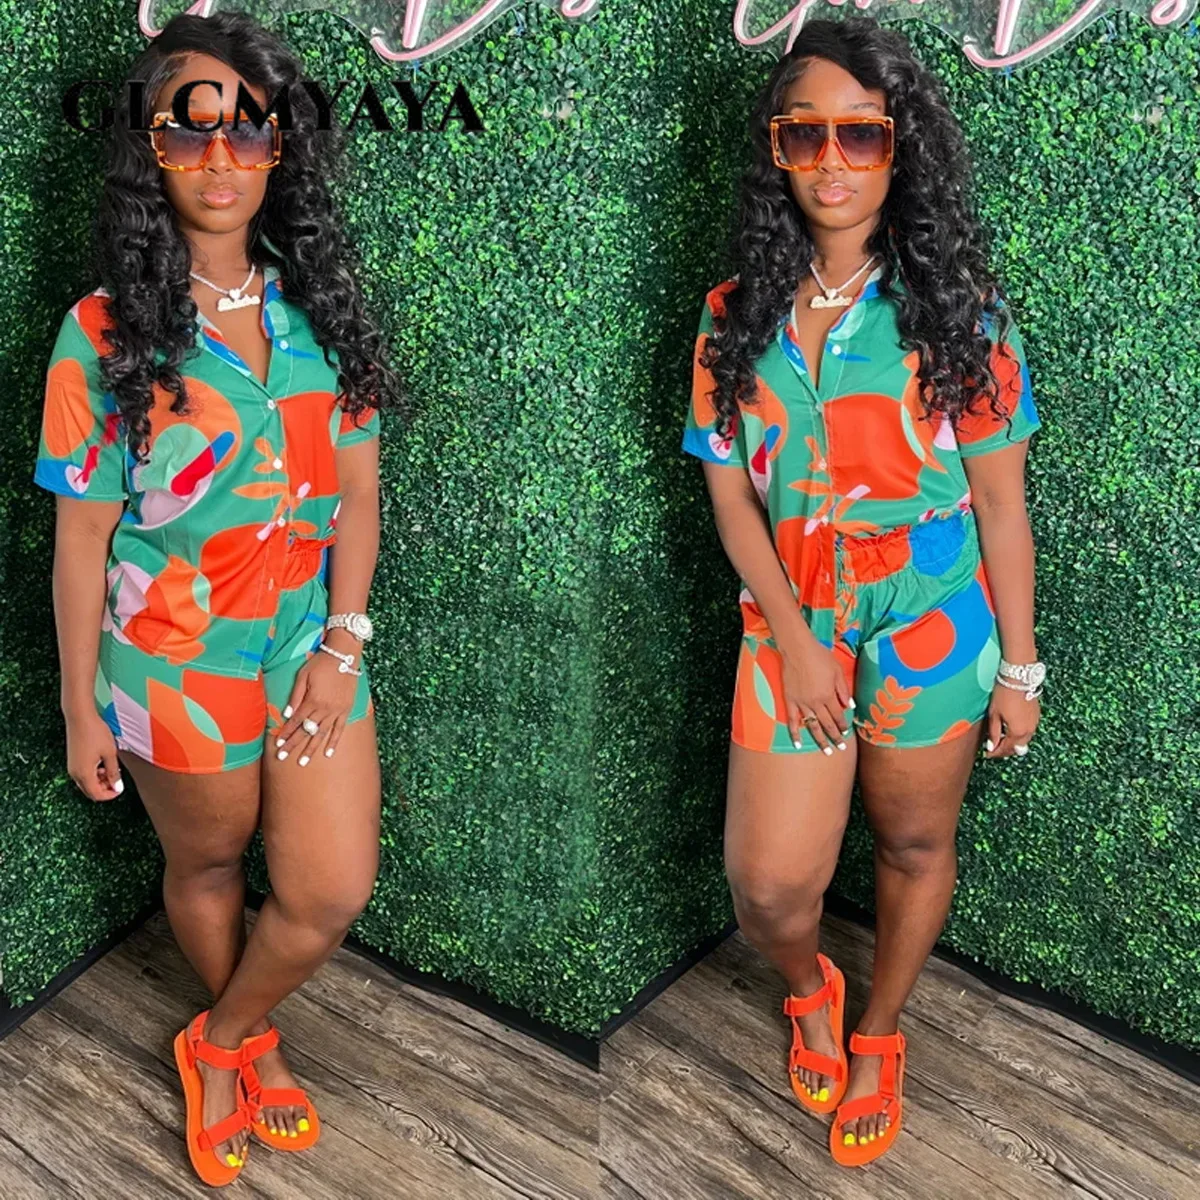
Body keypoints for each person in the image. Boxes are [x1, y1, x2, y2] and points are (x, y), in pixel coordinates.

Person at [32, 11, 405, 1187]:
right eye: (187, 132)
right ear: (149, 150)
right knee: (207, 865)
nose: (220, 158)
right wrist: (81, 708)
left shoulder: (321, 311)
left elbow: (359, 496)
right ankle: (256, 1047)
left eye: (248, 131)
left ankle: (221, 1036)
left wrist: (343, 645)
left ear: (279, 148)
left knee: (328, 890)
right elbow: (81, 540)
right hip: (167, 662)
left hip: (303, 643)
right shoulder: (100, 334)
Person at [681, 17, 1044, 1168]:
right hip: (794, 617)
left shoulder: (963, 317)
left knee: (914, 842)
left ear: (900, 149)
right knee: (768, 889)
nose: (832, 159)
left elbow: (1001, 508)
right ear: (777, 150)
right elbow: (731, 496)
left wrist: (1020, 668)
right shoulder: (732, 315)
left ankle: (879, 1032)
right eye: (806, 133)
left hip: (935, 619)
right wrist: (793, 639)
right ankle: (810, 987)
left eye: (862, 133)